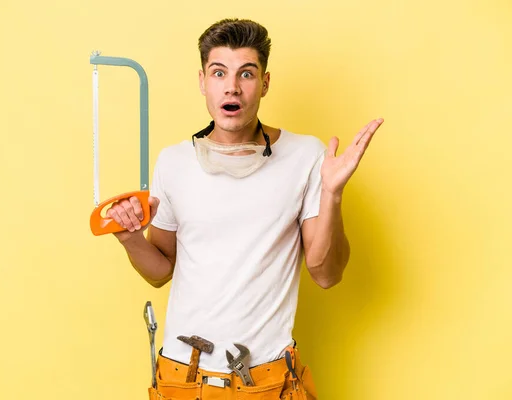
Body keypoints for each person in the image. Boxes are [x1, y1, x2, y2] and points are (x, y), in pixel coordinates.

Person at [107, 18, 383, 400]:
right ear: (203, 81)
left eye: (246, 73)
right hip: (182, 378)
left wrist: (332, 194)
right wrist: (129, 239)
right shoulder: (172, 162)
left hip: (266, 382)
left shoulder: (306, 156)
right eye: (219, 72)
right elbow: (160, 272)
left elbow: (327, 274)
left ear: (264, 83)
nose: (232, 86)